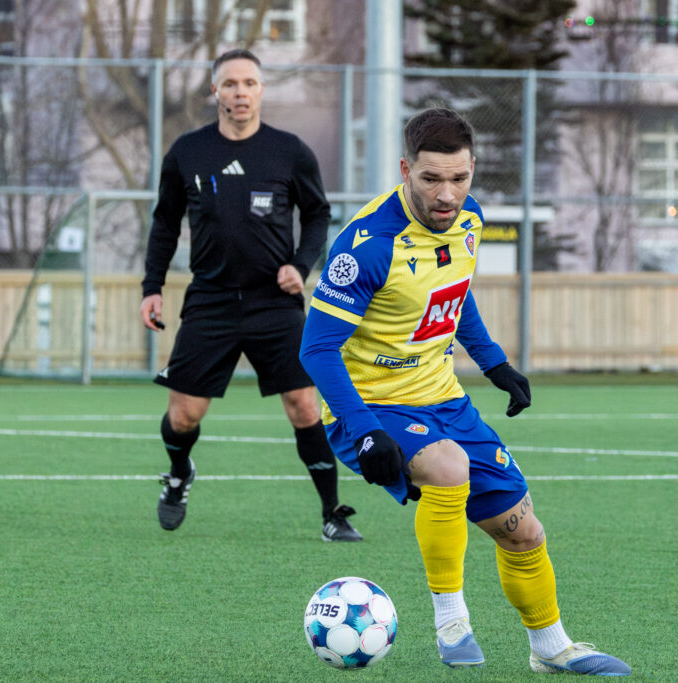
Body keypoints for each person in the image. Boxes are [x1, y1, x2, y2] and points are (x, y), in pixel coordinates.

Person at [299, 107, 630, 674]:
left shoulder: (469, 218)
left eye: (460, 177)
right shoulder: (366, 245)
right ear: (406, 169)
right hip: (372, 405)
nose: (447, 194)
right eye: (431, 178)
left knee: (523, 531)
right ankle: (451, 623)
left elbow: (455, 291)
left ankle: (551, 648)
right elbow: (316, 348)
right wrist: (364, 429)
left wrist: (494, 362)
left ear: (472, 168)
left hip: (445, 399)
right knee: (449, 467)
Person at [140, 49, 360, 542]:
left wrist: (300, 265)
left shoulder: (289, 151)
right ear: (214, 91)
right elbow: (164, 223)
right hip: (210, 299)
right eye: (230, 84)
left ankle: (332, 513)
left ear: (261, 90)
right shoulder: (188, 152)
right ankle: (178, 474)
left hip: (274, 302)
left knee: (304, 405)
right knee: (184, 415)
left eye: (249, 83)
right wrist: (151, 287)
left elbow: (318, 214)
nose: (240, 92)